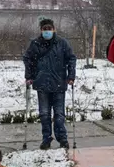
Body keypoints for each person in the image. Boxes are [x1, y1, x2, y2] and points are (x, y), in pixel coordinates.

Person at [23, 17, 77, 150]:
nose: (47, 31)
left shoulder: (62, 43)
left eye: (49, 29)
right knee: (44, 114)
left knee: (59, 114)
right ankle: (46, 139)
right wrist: (29, 76)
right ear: (41, 30)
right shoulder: (35, 44)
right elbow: (28, 59)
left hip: (59, 83)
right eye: (44, 29)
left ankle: (62, 138)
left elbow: (71, 59)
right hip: (42, 83)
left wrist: (71, 76)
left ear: (54, 29)